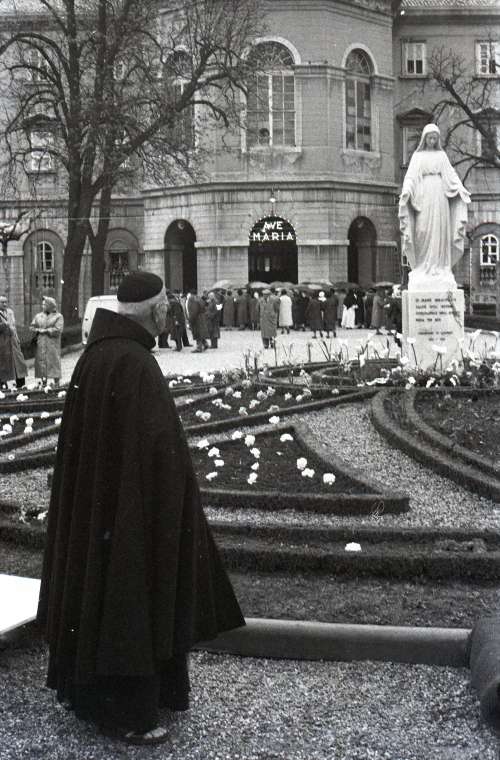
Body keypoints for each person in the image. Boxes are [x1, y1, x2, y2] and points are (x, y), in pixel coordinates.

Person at [37, 272, 245, 746]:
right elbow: (159, 451)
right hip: (132, 509)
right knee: (128, 592)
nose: (169, 311)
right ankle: (126, 711)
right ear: (155, 310)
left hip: (101, 507)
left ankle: (84, 690)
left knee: (96, 582)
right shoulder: (135, 363)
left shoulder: (95, 356)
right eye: (166, 304)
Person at [399, 123, 470, 291]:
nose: (432, 141)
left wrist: (460, 189)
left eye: (435, 138)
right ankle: (422, 266)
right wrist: (407, 191)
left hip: (439, 197)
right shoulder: (418, 157)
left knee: (439, 231)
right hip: (423, 197)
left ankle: (440, 267)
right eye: (430, 138)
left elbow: (451, 175)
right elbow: (410, 177)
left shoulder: (441, 155)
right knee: (422, 230)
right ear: (424, 138)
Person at [30, 296, 64, 386]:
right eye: (42, 304)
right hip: (41, 343)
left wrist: (46, 331)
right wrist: (37, 330)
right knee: (42, 362)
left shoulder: (58, 316)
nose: (43, 306)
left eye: (45, 304)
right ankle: (43, 383)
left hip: (52, 344)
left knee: (54, 362)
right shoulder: (38, 316)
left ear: (50, 305)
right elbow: (32, 327)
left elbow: (58, 329)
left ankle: (57, 383)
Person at [0, 295, 27, 389]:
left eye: (6, 302)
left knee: (19, 362)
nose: (5, 304)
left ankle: (21, 384)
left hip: (13, 342)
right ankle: (3, 386)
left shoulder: (10, 312)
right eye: (2, 302)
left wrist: (17, 339)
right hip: (2, 343)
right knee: (3, 364)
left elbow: (13, 326)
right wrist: (4, 325)